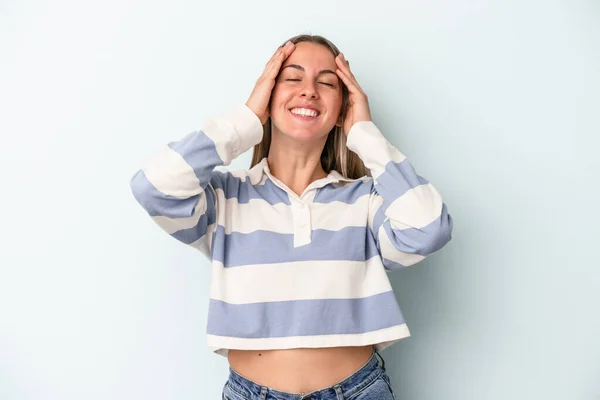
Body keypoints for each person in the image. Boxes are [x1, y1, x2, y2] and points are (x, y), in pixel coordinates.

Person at [130, 34, 453, 400]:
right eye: (292, 77)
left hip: (359, 391)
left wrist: (365, 134)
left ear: (343, 109)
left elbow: (429, 229)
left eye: (327, 82)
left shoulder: (366, 201)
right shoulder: (225, 198)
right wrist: (246, 119)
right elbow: (153, 188)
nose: (309, 91)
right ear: (267, 95)